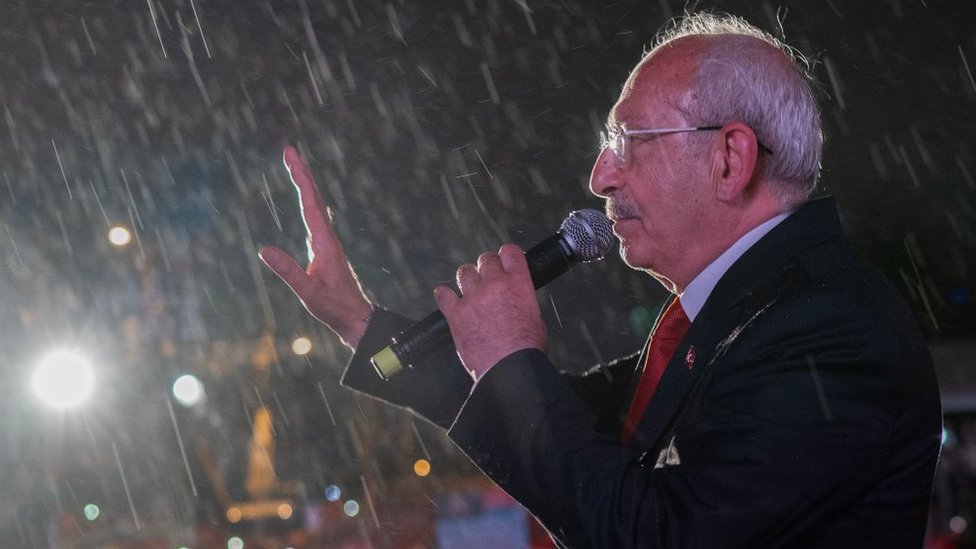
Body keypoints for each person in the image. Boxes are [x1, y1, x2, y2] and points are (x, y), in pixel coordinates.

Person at [260, 12, 942, 548]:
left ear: (730, 157)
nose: (600, 177)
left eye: (627, 141)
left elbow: (654, 535)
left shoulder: (831, 328)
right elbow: (567, 422)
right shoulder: (739, 314)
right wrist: (360, 321)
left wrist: (512, 356)